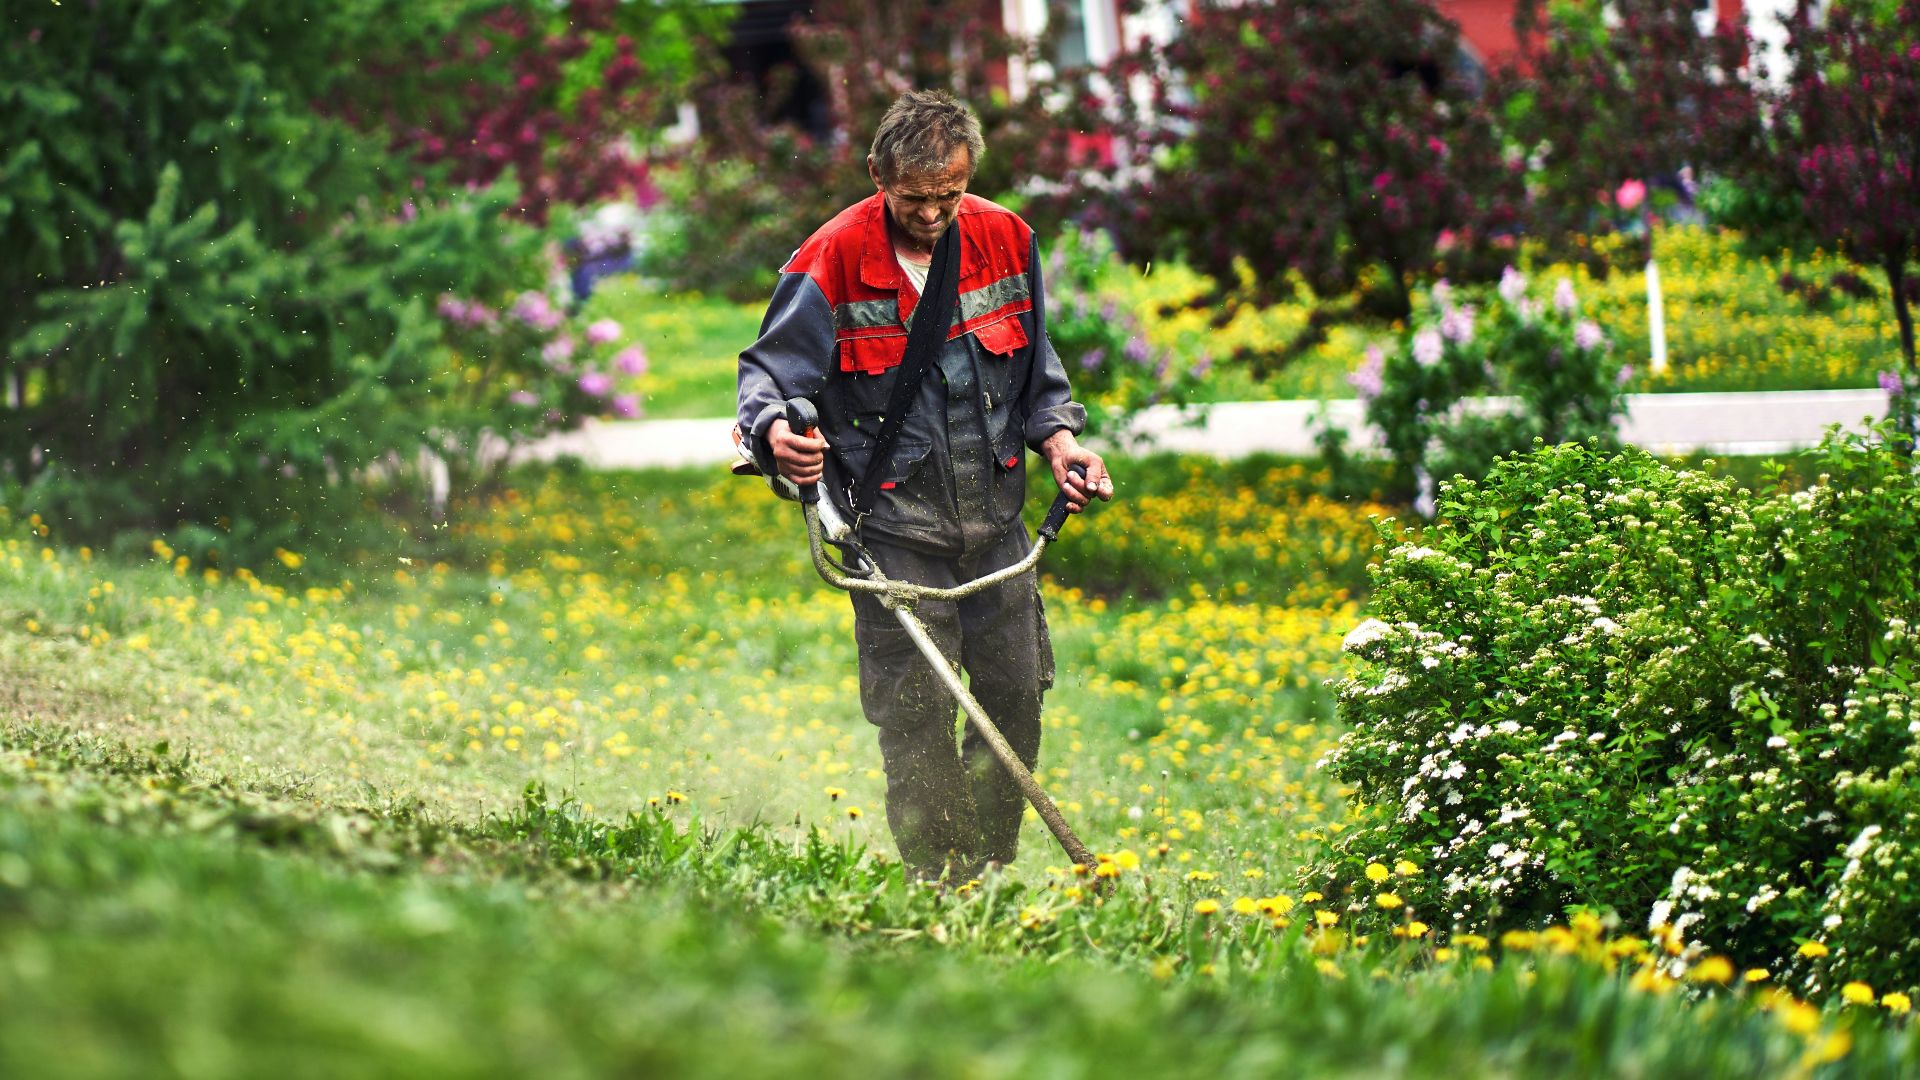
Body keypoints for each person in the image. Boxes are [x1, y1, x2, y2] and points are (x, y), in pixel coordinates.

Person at [737, 90, 1112, 883]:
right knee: (917, 717)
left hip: (998, 525)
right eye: (915, 198)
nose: (934, 214)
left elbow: (1039, 374)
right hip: (894, 533)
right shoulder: (830, 258)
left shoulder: (1007, 238)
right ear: (878, 174)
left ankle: (991, 866)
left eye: (951, 194)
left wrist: (1062, 443)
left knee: (1014, 699)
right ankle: (943, 881)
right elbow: (769, 376)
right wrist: (776, 434)